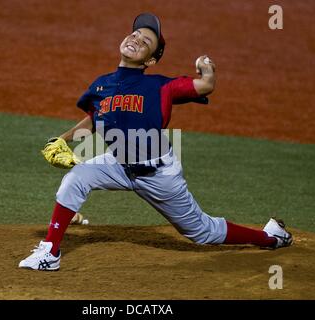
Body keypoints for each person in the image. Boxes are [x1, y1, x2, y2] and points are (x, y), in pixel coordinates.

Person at [19, 13, 293, 271]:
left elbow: (205, 85)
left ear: (150, 61)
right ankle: (50, 253)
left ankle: (270, 237)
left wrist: (206, 68)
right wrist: (63, 140)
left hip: (158, 174)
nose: (136, 39)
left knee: (201, 232)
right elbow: (95, 118)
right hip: (118, 165)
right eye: (135, 33)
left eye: (146, 41)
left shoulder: (161, 86)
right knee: (76, 178)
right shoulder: (102, 85)